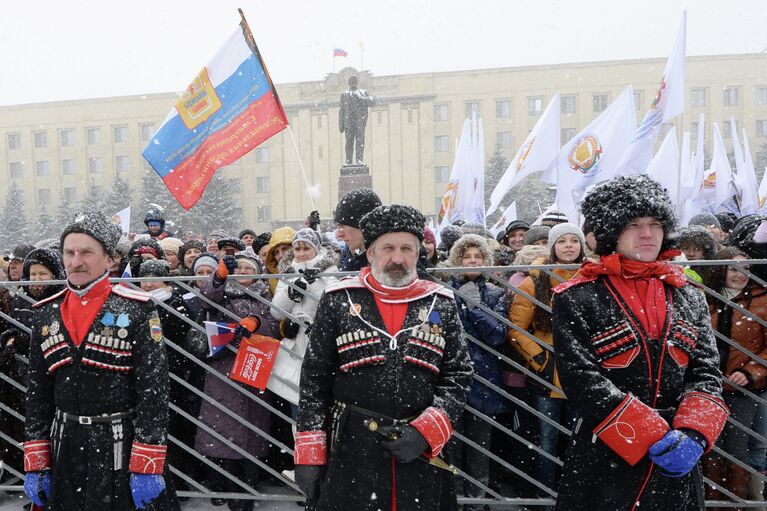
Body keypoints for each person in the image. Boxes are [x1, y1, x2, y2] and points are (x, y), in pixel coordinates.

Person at [552, 175, 729, 510]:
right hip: (605, 457)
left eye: (655, 223)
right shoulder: (577, 297)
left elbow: (705, 372)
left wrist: (694, 433)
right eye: (633, 224)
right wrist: (649, 433)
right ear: (610, 233)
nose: (647, 233)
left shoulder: (688, 295)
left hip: (677, 461)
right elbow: (580, 379)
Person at [294, 204, 473, 511]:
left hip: (420, 453)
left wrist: (425, 432)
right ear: (370, 252)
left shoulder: (439, 301)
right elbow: (314, 380)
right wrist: (310, 454)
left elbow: (458, 374)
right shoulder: (338, 299)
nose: (398, 258)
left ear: (419, 253)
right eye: (388, 247)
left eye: (407, 248)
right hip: (351, 448)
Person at [23, 211, 176, 510]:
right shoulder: (46, 312)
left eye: (86, 252)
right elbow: (37, 393)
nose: (76, 261)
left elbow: (153, 391)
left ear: (109, 260)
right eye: (69, 252)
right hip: (65, 445)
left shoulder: (137, 310)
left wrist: (147, 461)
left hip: (121, 444)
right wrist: (36, 462)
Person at [196, 249, 276, 511]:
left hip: (255, 366)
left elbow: (274, 325)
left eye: (248, 267)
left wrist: (256, 322)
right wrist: (219, 276)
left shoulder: (265, 295)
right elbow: (206, 299)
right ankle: (224, 486)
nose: (242, 271)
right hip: (224, 368)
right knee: (223, 430)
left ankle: (248, 488)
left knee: (253, 430)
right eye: (238, 267)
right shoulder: (222, 291)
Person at [508, 223, 585, 492]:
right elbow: (517, 329)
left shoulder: (592, 278)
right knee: (547, 439)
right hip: (547, 375)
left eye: (573, 241)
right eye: (561, 241)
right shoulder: (535, 280)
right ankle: (546, 494)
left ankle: (574, 494)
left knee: (581, 439)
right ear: (552, 247)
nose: (568, 246)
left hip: (584, 373)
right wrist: (540, 359)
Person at [446, 234, 509, 509]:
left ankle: (476, 500)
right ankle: (455, 498)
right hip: (451, 377)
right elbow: (437, 331)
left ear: (486, 261)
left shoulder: (496, 294)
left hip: (485, 378)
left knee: (479, 447)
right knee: (453, 446)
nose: (472, 261)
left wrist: (475, 307)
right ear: (456, 262)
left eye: (477, 256)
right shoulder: (444, 292)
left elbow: (497, 335)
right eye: (466, 257)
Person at [702, 247, 767, 506]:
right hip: (708, 387)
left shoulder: (763, 300)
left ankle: (736, 503)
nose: (740, 275)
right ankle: (712, 502)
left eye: (746, 269)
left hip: (745, 390)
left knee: (737, 451)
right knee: (710, 449)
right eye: (733, 268)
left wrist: (750, 372)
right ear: (721, 269)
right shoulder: (706, 299)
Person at [0, 248, 65, 484]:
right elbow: (11, 326)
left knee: (52, 432)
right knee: (26, 428)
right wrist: (8, 339)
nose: (36, 280)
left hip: (53, 378)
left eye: (43, 274)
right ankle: (30, 476)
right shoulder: (21, 299)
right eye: (33, 274)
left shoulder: (62, 300)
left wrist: (24, 341)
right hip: (21, 377)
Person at [269, 228, 339, 408]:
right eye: (297, 249)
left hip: (321, 341)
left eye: (306, 249)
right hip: (296, 342)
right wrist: (291, 295)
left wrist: (320, 323)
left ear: (316, 248)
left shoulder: (330, 269)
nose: (301, 254)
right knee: (297, 396)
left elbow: (335, 304)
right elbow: (276, 312)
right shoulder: (289, 270)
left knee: (322, 392)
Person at [334, 187, 382, 271]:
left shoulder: (390, 265)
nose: (338, 234)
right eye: (338, 227)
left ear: (365, 227)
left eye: (343, 227)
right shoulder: (350, 255)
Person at [338, 76, 374, 165]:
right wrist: (341, 124)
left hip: (359, 122)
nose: (353, 83)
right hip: (349, 123)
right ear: (349, 83)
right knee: (349, 143)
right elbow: (342, 111)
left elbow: (372, 102)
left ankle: (359, 160)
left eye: (354, 82)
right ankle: (348, 161)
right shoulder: (344, 95)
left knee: (360, 141)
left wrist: (361, 98)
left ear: (357, 83)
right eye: (351, 82)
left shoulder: (362, 93)